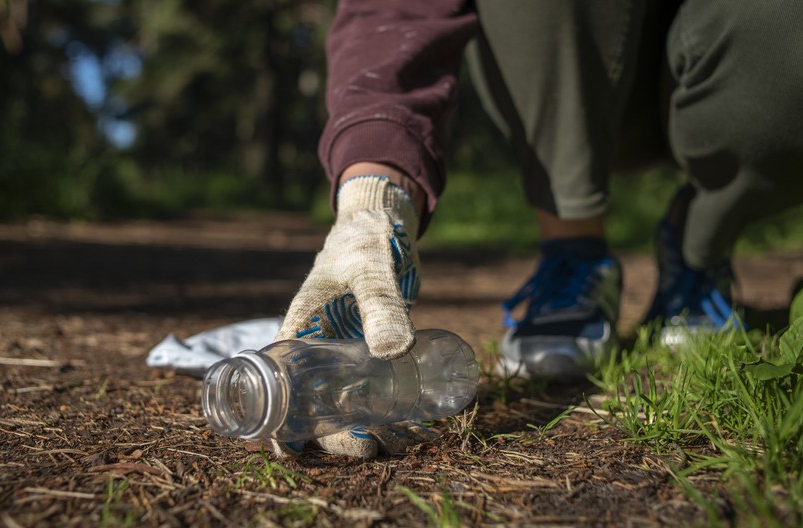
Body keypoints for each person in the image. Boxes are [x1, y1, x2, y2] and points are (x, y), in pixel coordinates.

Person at [271, 0, 803, 459]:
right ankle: (574, 250)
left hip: (728, 65)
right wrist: (372, 201)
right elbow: (393, 11)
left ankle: (701, 240)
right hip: (575, 73)